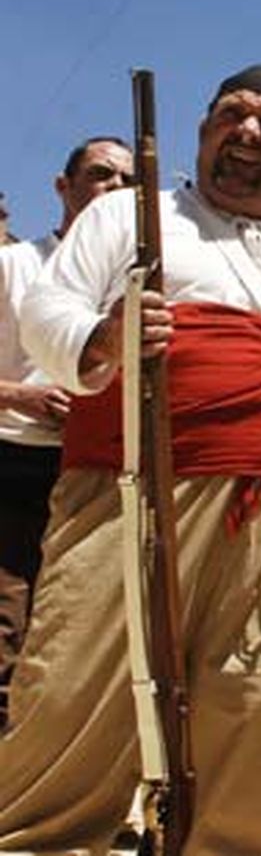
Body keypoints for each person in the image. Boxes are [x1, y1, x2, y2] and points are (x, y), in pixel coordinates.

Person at [0, 63, 261, 853]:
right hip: (124, 492)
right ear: (203, 130)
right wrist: (103, 337)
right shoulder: (126, 217)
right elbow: (48, 308)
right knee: (71, 691)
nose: (244, 132)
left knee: (251, 714)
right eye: (229, 116)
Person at [0, 136, 132, 726]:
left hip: (100, 473)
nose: (114, 190)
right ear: (63, 186)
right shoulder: (14, 265)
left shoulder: (133, 285)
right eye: (101, 175)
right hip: (13, 462)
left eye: (127, 182)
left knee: (74, 637)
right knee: (8, 625)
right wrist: (23, 395)